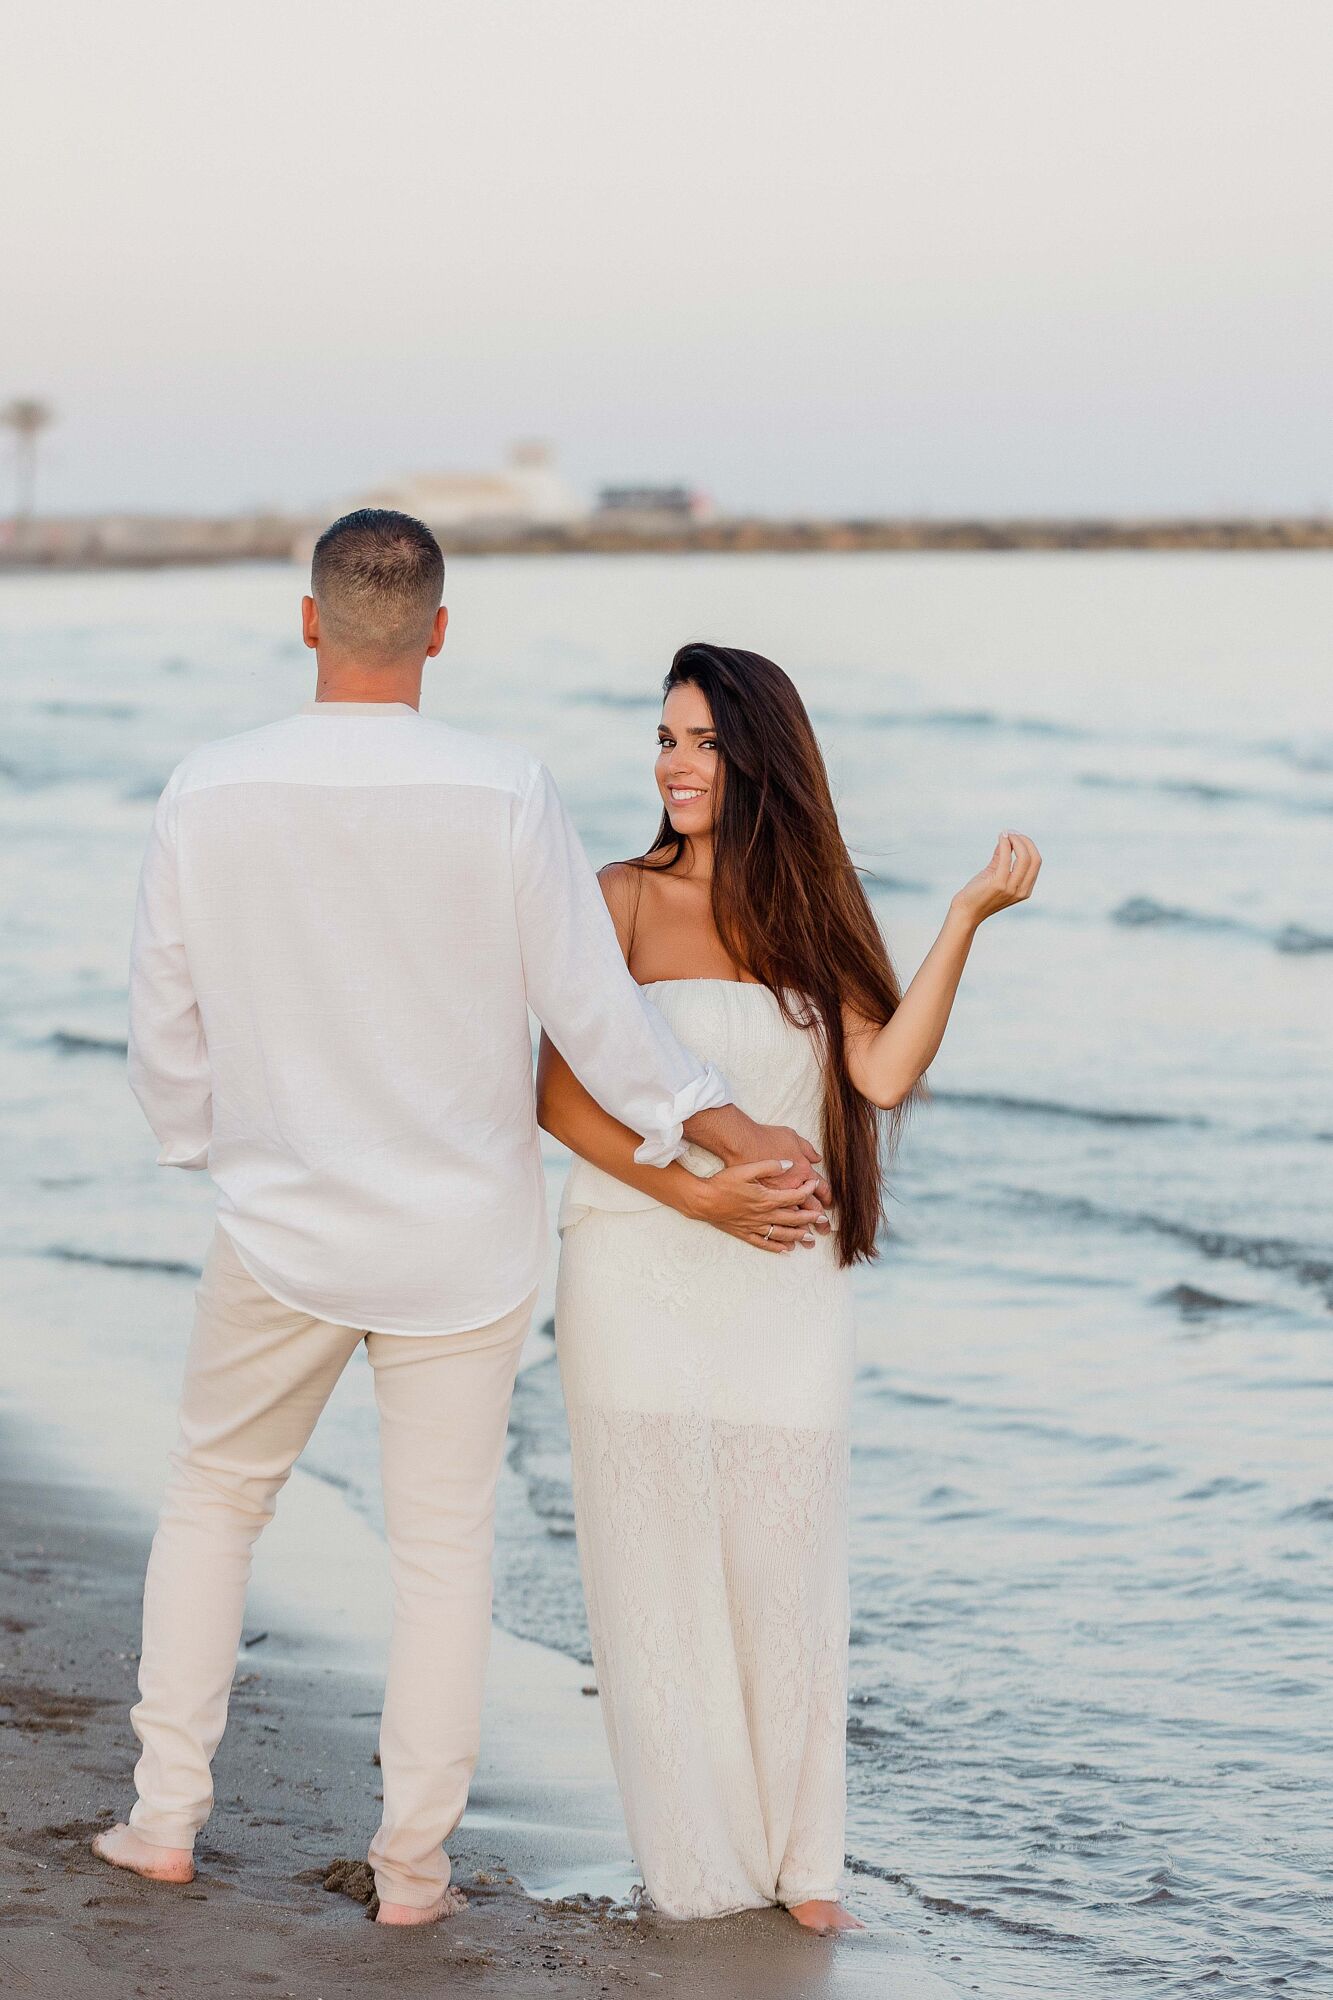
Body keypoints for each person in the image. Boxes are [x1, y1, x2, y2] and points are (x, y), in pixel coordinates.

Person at [93, 515, 818, 1925]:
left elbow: (161, 1017)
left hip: (283, 1229)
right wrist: (735, 1131)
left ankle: (164, 1819)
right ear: (438, 628)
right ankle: (413, 1869)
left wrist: (206, 1147)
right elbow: (596, 1023)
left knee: (216, 1505)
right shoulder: (504, 789)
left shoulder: (210, 787)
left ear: (311, 625)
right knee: (441, 1555)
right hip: (464, 1243)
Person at [539, 642, 1040, 1930]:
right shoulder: (617, 900)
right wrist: (696, 1191)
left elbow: (878, 1076)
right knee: (655, 1570)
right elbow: (551, 1092)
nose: (674, 765)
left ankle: (804, 1869)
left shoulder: (815, 916)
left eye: (704, 742)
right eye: (664, 738)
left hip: (787, 1292)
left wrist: (963, 920)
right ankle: (699, 1873)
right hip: (635, 1264)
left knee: (789, 1566)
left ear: (763, 757)